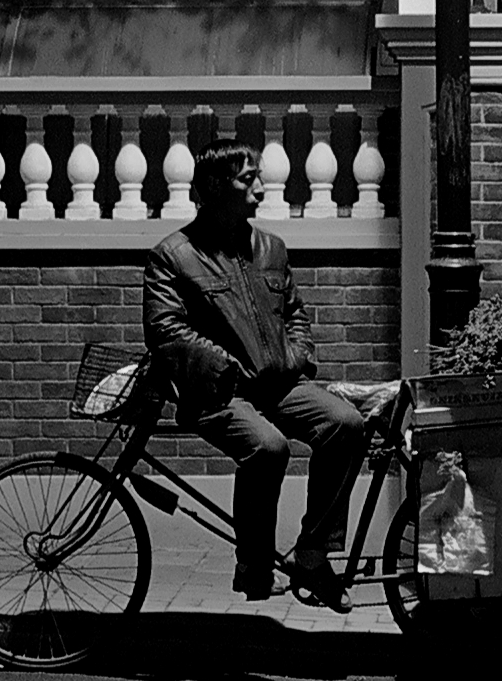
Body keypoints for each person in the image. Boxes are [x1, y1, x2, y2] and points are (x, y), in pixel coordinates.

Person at [142, 145, 370, 609]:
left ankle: (312, 554)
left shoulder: (271, 248)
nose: (260, 188)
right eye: (247, 180)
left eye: (257, 177)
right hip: (219, 393)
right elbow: (164, 330)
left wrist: (299, 353)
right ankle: (254, 565)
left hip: (281, 385)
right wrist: (222, 364)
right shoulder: (173, 255)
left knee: (345, 425)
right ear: (212, 189)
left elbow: (294, 313)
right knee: (268, 448)